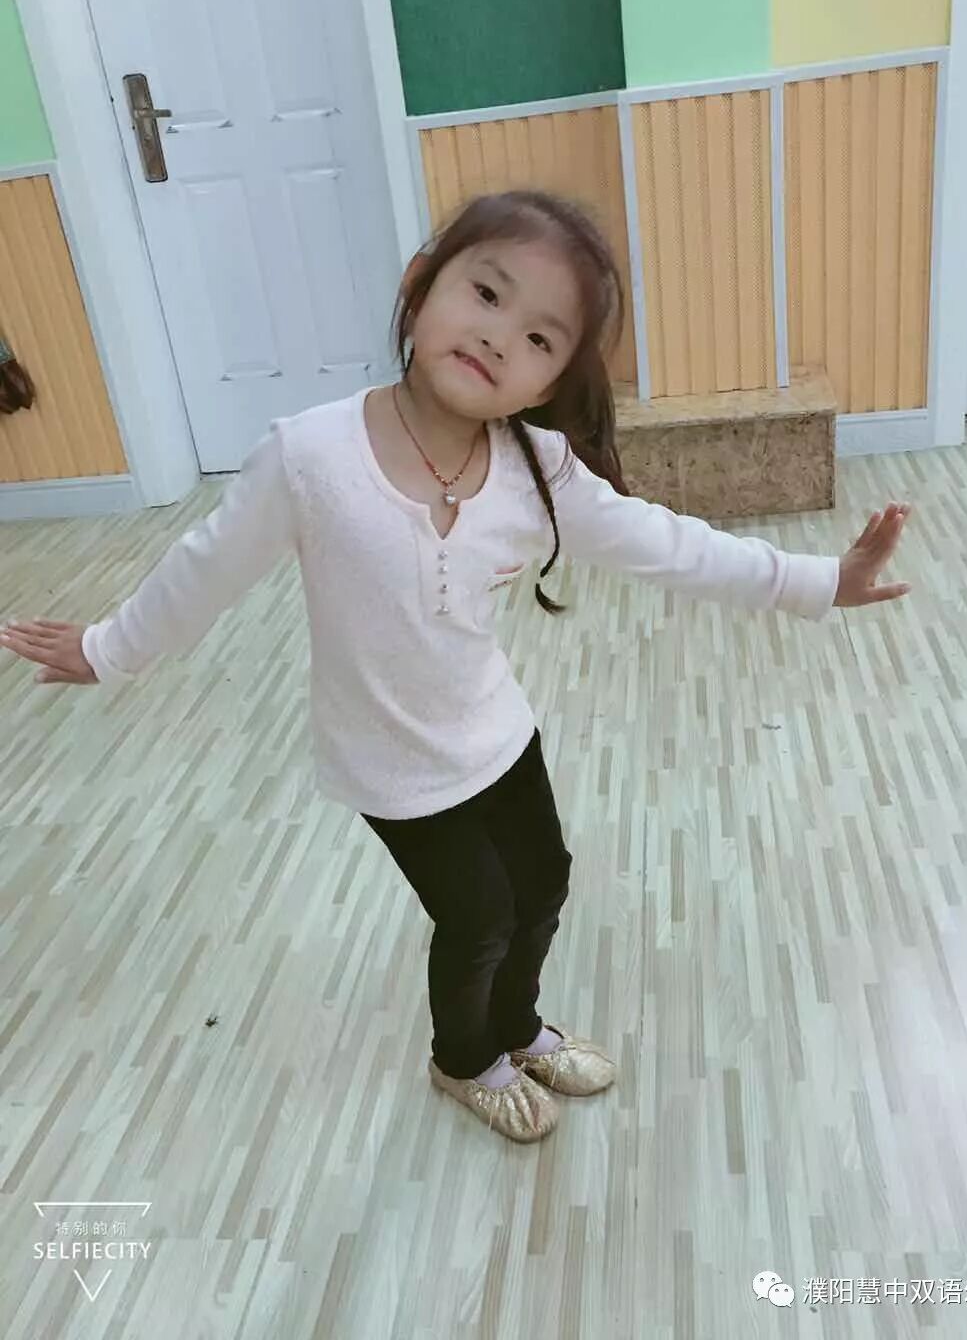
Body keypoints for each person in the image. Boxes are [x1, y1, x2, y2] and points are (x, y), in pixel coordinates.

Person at [0, 190, 911, 1144]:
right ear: (419, 287)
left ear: (550, 381)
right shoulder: (309, 457)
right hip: (388, 761)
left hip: (495, 732)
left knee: (544, 885)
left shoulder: (539, 468)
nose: (498, 337)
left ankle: (516, 1027)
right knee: (478, 918)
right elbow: (206, 567)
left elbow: (668, 544)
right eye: (485, 293)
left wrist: (819, 581)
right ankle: (463, 1059)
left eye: (540, 338)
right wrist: (108, 648)